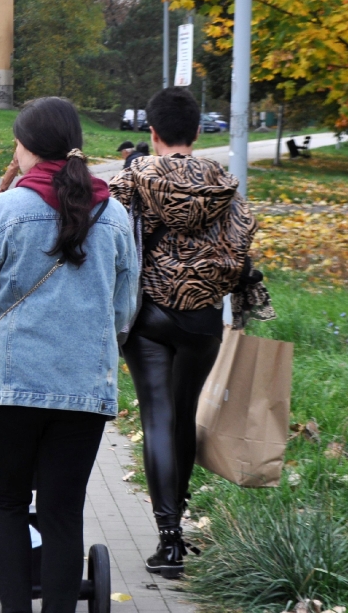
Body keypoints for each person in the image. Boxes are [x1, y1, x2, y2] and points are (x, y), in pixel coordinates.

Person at [0, 97, 139, 613]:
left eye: (17, 145)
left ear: (28, 147)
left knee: (6, 503)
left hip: (8, 385)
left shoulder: (3, 211)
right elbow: (123, 313)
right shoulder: (114, 215)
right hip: (84, 387)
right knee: (64, 513)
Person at [109, 87, 259, 579]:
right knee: (184, 416)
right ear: (196, 131)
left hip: (149, 315)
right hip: (202, 319)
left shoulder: (133, 177)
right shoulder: (225, 183)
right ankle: (179, 525)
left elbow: (110, 237)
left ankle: (169, 539)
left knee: (157, 415)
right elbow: (242, 246)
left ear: (152, 133)